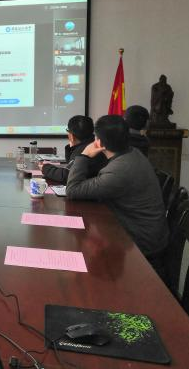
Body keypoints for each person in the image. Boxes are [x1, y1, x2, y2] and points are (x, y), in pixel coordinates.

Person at [66, 115, 169, 277]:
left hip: (141, 242)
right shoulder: (133, 153)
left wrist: (83, 155)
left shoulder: (118, 171)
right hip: (146, 231)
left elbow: (72, 190)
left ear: (99, 142)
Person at [40, 115, 106, 184]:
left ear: (71, 135)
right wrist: (72, 147)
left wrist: (45, 168)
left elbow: (66, 175)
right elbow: (70, 165)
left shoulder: (83, 150)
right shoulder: (92, 144)